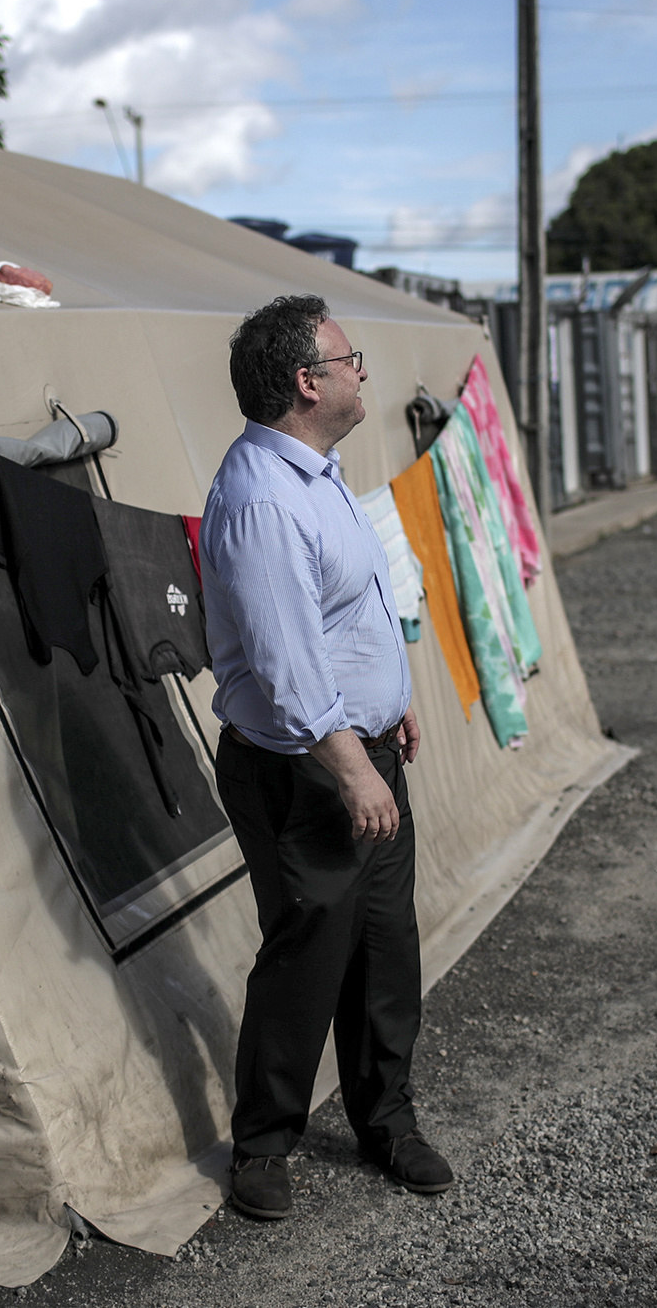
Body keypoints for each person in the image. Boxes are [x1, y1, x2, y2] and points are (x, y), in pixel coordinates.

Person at [200, 293, 455, 1221]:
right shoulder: (263, 498)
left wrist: (394, 710)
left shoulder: (317, 472)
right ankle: (264, 1142)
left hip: (363, 747)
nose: (361, 373)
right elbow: (286, 663)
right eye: (349, 361)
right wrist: (351, 764)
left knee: (386, 946)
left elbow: (350, 613)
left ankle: (385, 1117)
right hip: (307, 767)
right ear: (308, 382)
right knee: (309, 950)